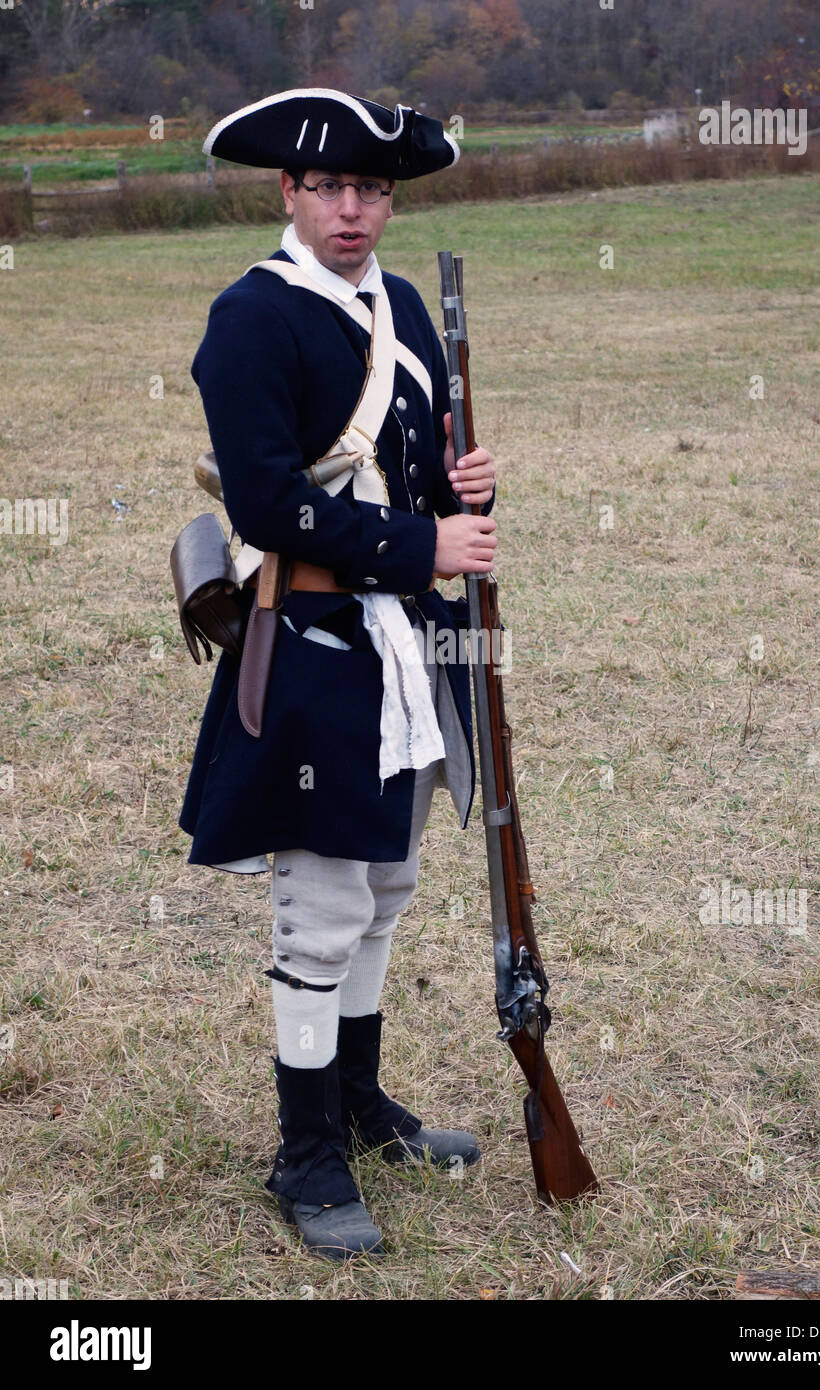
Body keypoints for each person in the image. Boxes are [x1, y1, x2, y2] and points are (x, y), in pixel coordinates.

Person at [178, 89, 497, 1260]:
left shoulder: (401, 305)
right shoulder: (251, 318)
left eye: (373, 190)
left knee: (387, 889)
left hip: (403, 647)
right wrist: (424, 544)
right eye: (330, 189)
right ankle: (304, 1151)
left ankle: (359, 1109)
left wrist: (466, 496)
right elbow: (269, 501)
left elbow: (417, 478)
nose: (354, 209)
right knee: (318, 914)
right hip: (314, 645)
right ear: (288, 195)